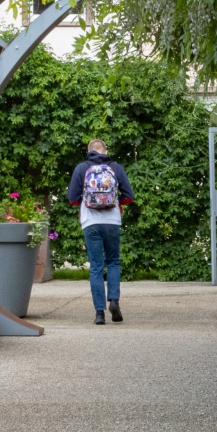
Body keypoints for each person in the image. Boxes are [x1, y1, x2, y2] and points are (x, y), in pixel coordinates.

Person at [67, 139, 134, 324]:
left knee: (96, 266)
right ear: (105, 150)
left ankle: (99, 314)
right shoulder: (115, 167)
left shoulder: (82, 168)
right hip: (112, 221)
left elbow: (72, 199)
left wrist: (86, 201)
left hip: (91, 222)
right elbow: (129, 196)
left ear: (89, 151)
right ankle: (114, 301)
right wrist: (114, 201)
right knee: (113, 262)